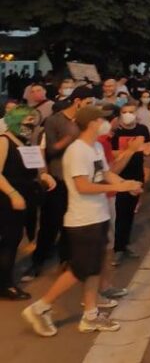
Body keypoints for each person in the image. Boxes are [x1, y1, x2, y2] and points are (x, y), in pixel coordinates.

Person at [21, 105, 142, 337]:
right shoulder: (77, 151)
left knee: (93, 268)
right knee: (79, 270)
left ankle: (91, 315)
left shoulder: (95, 146)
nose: (106, 123)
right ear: (92, 123)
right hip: (83, 220)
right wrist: (120, 186)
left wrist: (128, 185)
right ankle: (41, 306)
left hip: (98, 216)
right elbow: (82, 186)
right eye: (101, 119)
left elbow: (105, 174)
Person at [24, 85, 94, 281]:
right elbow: (49, 150)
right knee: (50, 223)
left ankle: (66, 261)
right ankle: (37, 262)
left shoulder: (85, 122)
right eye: (88, 103)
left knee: (71, 224)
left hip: (78, 179)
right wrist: (69, 139)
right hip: (57, 180)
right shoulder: (54, 121)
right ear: (78, 101)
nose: (89, 107)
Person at [0, 113, 56, 300]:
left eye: (34, 121)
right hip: (7, 199)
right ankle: (5, 285)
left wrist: (44, 176)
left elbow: (35, 169)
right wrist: (13, 194)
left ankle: (5, 280)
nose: (32, 124)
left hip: (23, 198)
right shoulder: (4, 140)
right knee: (9, 240)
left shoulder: (26, 142)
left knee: (12, 240)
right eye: (28, 120)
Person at [109, 103, 150, 265]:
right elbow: (112, 153)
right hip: (119, 176)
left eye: (131, 112)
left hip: (136, 174)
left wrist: (143, 150)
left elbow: (148, 149)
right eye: (124, 112)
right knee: (119, 213)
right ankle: (116, 248)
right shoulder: (116, 132)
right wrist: (132, 149)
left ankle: (124, 244)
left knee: (129, 212)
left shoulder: (142, 129)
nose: (128, 114)